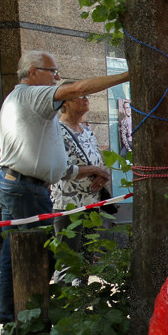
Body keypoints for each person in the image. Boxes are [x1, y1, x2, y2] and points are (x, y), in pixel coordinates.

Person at [0, 50, 124, 326]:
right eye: (52, 72)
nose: (57, 78)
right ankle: (32, 325)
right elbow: (76, 88)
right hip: (27, 189)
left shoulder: (21, 100)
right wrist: (128, 75)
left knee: (15, 257)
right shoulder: (32, 95)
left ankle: (14, 323)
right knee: (40, 258)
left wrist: (86, 171)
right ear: (32, 73)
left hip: (20, 183)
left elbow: (46, 159)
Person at [52, 80, 109, 259]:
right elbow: (60, 169)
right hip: (68, 205)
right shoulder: (56, 131)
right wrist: (94, 170)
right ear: (65, 102)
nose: (86, 99)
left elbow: (98, 160)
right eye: (81, 96)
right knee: (68, 258)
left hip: (91, 201)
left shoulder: (86, 131)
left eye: (87, 96)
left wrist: (102, 175)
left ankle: (83, 285)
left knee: (87, 257)